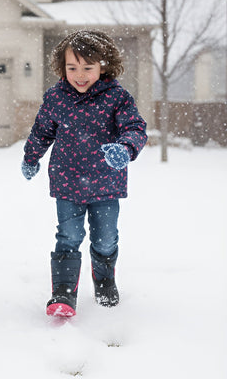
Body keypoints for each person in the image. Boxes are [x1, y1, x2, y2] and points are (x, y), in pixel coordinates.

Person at [21, 30, 147, 317]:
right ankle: (63, 293)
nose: (79, 75)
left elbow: (135, 128)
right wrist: (31, 156)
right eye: (72, 67)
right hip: (67, 182)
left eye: (88, 68)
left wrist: (125, 148)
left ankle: (104, 280)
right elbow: (42, 131)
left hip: (105, 184)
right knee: (68, 236)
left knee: (105, 238)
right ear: (62, 68)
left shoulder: (117, 98)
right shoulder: (56, 97)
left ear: (103, 66)